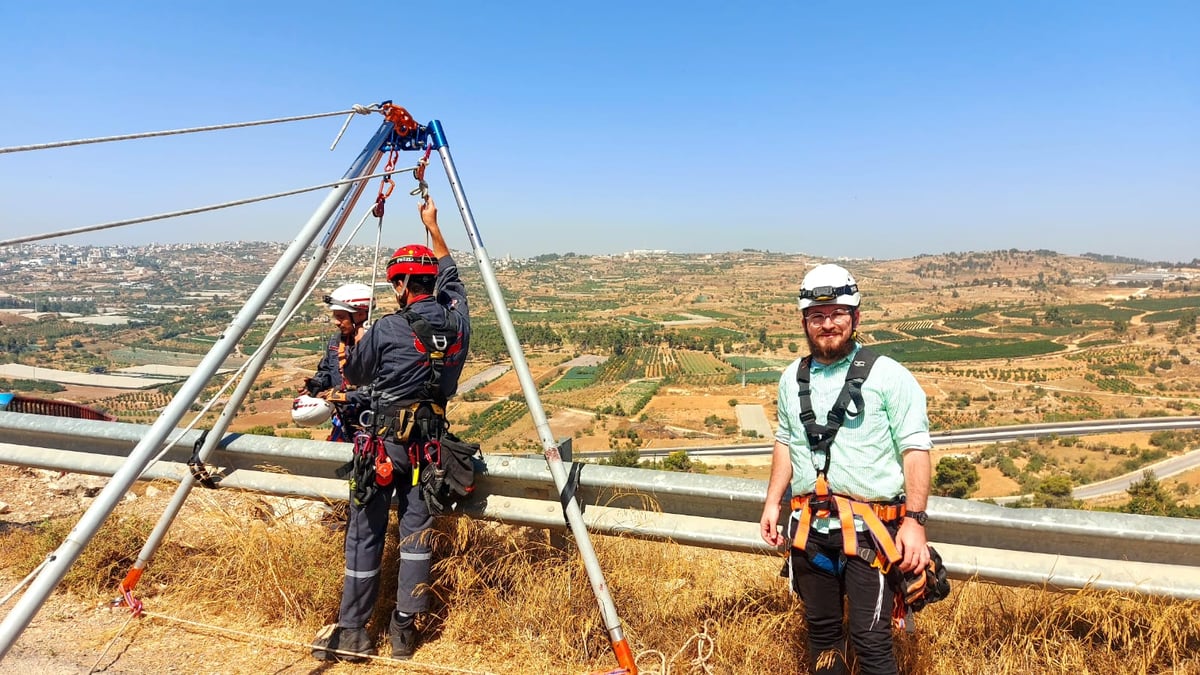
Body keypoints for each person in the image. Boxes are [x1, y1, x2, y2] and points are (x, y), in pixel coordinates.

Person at [312, 196, 471, 663]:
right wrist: (434, 227)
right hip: (429, 450)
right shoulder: (458, 324)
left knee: (365, 535)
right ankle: (404, 632)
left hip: (382, 446)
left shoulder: (386, 327)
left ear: (401, 284)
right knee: (416, 537)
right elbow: (455, 280)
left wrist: (351, 347)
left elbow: (357, 376)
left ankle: (355, 632)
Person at [759, 263, 932, 675]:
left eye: (837, 313)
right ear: (805, 322)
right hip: (809, 528)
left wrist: (915, 522)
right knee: (821, 637)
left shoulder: (889, 376)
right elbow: (785, 442)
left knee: (871, 644)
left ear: (855, 317)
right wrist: (771, 503)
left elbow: (915, 449)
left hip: (871, 532)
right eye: (817, 316)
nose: (827, 323)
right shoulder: (792, 377)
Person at [297, 282, 374, 442]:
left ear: (360, 314)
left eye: (340, 317)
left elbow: (381, 389)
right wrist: (315, 384)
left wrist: (345, 396)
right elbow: (326, 370)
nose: (336, 322)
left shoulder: (379, 345)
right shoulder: (336, 342)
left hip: (372, 425)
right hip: (344, 423)